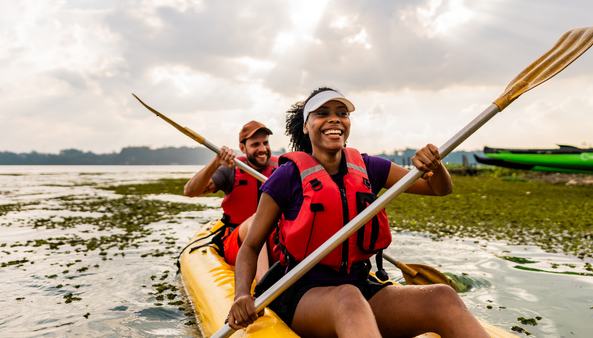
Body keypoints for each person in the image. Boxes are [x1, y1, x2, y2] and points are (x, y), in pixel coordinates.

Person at [228, 88, 490, 338]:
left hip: (359, 285)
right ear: (306, 126)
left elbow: (437, 189)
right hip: (300, 293)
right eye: (322, 113)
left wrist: (436, 166)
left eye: (342, 113)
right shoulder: (287, 176)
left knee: (441, 296)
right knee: (347, 298)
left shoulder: (368, 167)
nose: (334, 119)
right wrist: (242, 294)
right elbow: (250, 246)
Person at [184, 121, 279, 269]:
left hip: (274, 240)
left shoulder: (281, 168)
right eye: (255, 145)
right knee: (257, 222)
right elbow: (190, 191)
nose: (263, 149)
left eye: (265, 143)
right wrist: (216, 163)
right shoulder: (231, 169)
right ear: (242, 148)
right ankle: (264, 288)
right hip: (238, 241)